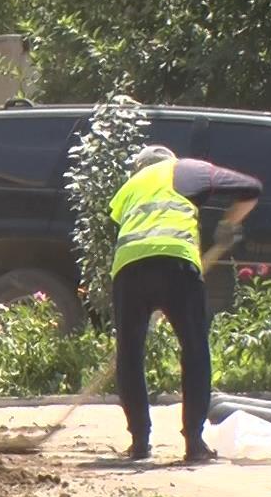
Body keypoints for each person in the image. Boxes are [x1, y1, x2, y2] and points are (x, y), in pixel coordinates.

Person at [109, 144, 261, 463]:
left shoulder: (128, 187)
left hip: (128, 270)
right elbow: (250, 188)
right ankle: (194, 442)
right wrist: (228, 225)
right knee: (194, 349)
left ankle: (139, 443)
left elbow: (131, 231)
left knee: (129, 354)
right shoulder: (187, 170)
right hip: (177, 266)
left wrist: (150, 298)